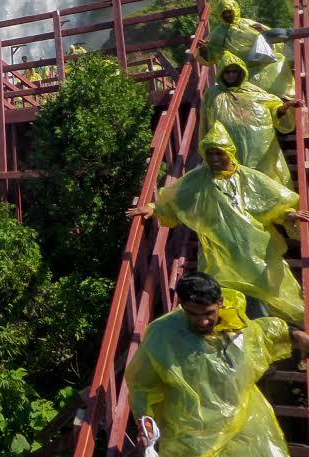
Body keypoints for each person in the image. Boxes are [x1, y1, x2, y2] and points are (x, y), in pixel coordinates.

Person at [127, 121, 308, 322]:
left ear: (229, 152)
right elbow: (173, 201)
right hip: (217, 253)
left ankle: (261, 337)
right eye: (210, 153)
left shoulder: (249, 178)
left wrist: (289, 215)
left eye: (219, 153)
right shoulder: (197, 180)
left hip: (254, 252)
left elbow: (274, 203)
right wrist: (152, 209)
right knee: (222, 299)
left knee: (260, 300)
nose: (214, 158)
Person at [126, 271, 309, 457]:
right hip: (190, 434)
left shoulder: (235, 325)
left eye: (209, 313)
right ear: (181, 306)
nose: (203, 321)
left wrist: (296, 335)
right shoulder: (163, 334)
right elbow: (141, 384)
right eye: (193, 314)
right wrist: (145, 421)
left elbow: (263, 333)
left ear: (220, 302)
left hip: (243, 421)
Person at [204, 51, 301, 188]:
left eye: (234, 71)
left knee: (261, 180)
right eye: (227, 72)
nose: (231, 75)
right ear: (221, 74)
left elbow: (273, 109)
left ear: (241, 73)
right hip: (227, 146)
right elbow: (205, 122)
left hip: (255, 147)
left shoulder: (254, 92)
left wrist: (285, 107)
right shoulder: (212, 93)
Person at [203, 0, 294, 99]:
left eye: (229, 12)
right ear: (220, 15)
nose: (227, 15)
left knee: (278, 76)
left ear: (235, 10)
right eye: (224, 13)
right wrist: (203, 50)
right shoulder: (216, 34)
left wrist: (264, 31)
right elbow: (210, 58)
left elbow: (272, 39)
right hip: (238, 72)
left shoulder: (249, 24)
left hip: (262, 64)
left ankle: (285, 100)